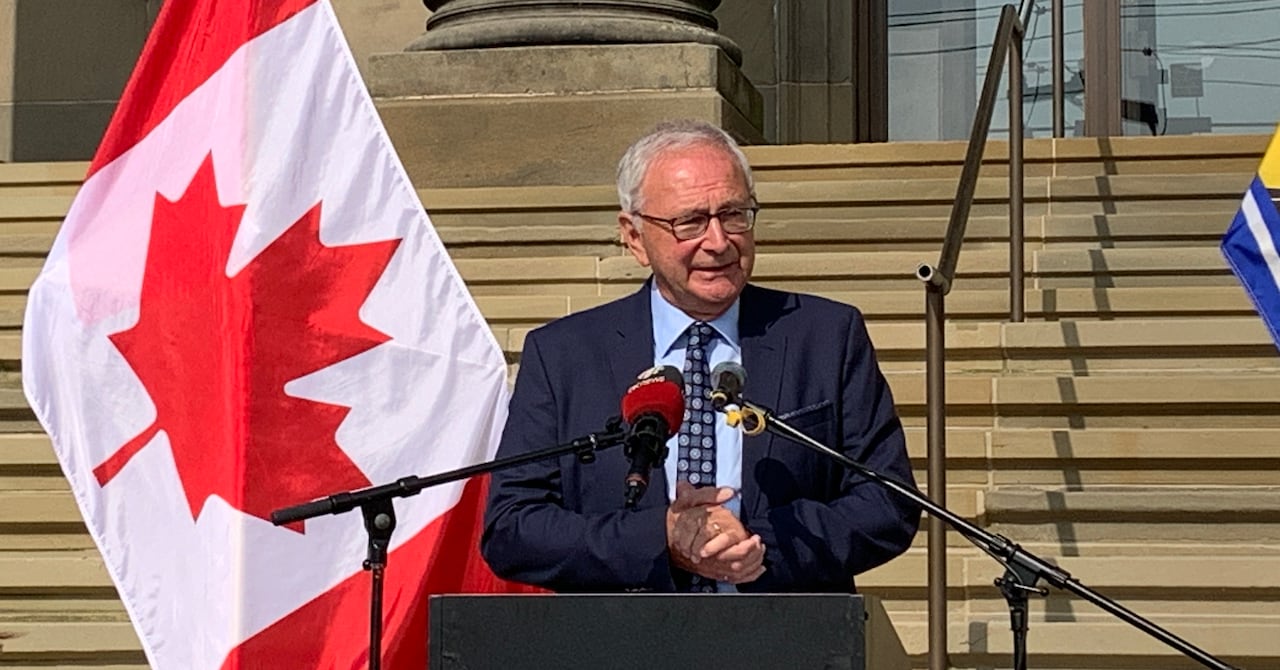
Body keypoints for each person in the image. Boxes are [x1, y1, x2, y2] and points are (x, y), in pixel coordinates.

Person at [481, 119, 919, 593]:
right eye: (690, 222)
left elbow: (887, 502)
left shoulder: (826, 336)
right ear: (633, 237)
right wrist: (660, 541)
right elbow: (512, 528)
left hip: (786, 637)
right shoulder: (564, 354)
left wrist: (758, 543)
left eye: (733, 214)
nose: (718, 241)